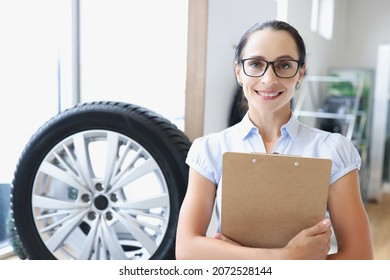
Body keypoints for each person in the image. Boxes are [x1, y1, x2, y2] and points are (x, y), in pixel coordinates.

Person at [175, 20, 374, 260]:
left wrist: (232, 255)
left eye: (284, 65)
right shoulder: (210, 149)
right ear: (239, 71)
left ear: (300, 73)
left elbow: (360, 258)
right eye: (256, 64)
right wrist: (286, 258)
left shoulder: (333, 150)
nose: (269, 79)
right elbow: (186, 251)